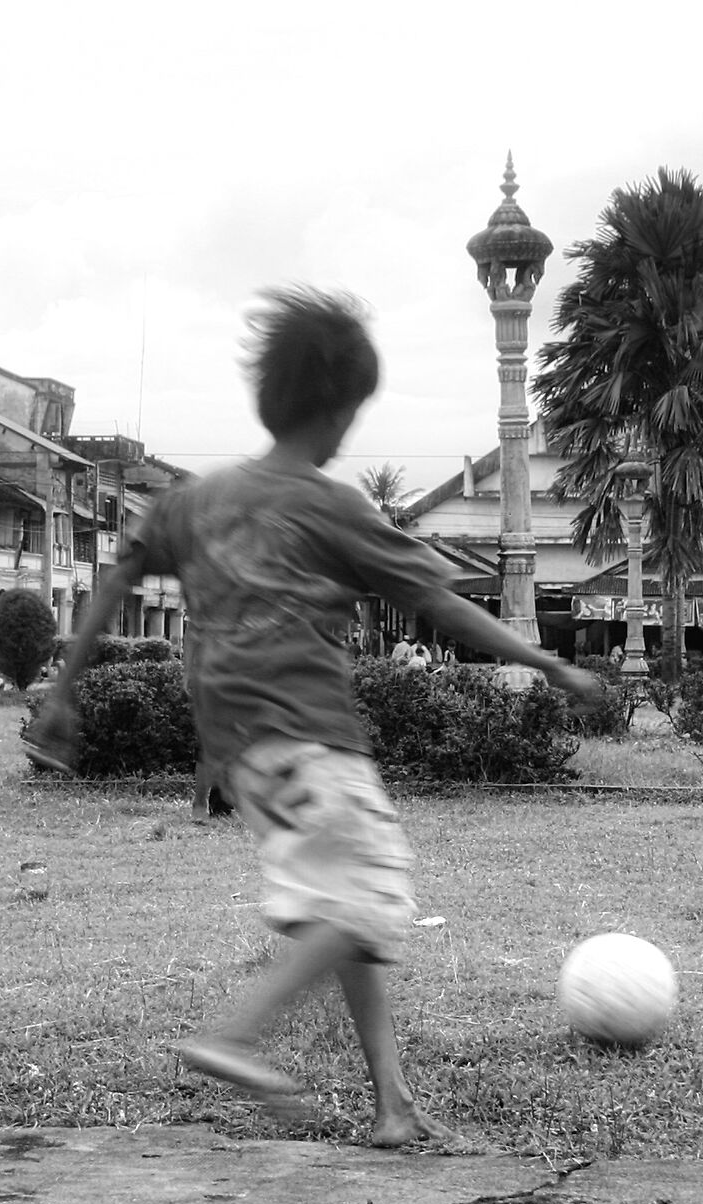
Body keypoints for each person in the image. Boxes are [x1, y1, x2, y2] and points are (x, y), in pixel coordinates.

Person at [30, 286, 604, 1146]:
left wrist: (63, 691)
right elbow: (440, 603)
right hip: (311, 739)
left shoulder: (196, 499)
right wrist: (546, 661)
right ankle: (234, 1035)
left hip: (241, 758)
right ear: (340, 411)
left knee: (344, 913)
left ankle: (393, 1105)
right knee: (373, 896)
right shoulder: (332, 505)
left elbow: (115, 582)